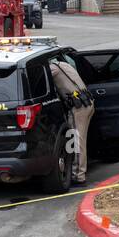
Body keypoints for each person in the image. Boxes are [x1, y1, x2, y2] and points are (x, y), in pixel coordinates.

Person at [49, 55, 94, 184]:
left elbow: (40, 78)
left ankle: (78, 176)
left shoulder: (53, 69)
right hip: (87, 102)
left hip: (78, 108)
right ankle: (79, 170)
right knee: (80, 139)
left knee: (76, 140)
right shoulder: (64, 64)